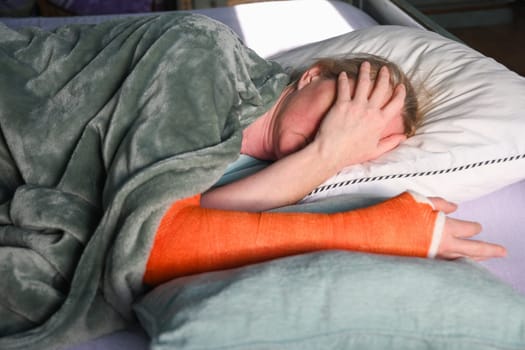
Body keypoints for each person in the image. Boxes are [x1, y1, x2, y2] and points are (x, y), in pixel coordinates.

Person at [142, 54, 507, 286]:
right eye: (346, 110)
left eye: (360, 138)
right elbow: (153, 241)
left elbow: (172, 224)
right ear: (313, 76)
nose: (336, 132)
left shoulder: (283, 178)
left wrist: (327, 155)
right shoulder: (210, 66)